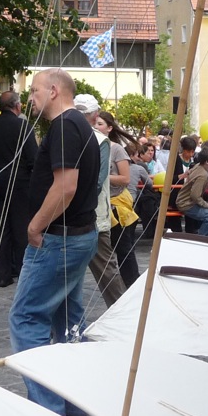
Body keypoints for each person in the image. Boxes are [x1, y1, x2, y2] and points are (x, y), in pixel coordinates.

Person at [10, 70, 100, 416]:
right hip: (76, 237)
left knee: (26, 318)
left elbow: (66, 187)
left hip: (59, 239)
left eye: (33, 91)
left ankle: (48, 410)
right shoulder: (78, 125)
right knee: (68, 319)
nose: (29, 98)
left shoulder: (65, 126)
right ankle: (75, 403)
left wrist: (35, 226)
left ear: (52, 91)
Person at [0, 90, 36, 289]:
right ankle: (22, 269)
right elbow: (33, 157)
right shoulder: (23, 126)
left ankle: (3, 273)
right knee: (21, 227)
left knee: (1, 227)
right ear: (17, 106)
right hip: (19, 183)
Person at [73, 95, 124, 307]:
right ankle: (123, 314)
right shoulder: (92, 139)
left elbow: (96, 181)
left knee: (103, 271)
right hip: (86, 215)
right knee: (104, 272)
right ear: (95, 116)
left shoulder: (98, 140)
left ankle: (123, 314)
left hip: (87, 216)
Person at [94, 110, 140, 288]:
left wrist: (102, 177)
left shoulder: (117, 149)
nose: (96, 127)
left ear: (109, 128)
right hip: (98, 205)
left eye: (100, 124)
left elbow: (125, 179)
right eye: (94, 123)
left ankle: (132, 286)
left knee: (124, 250)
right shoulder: (91, 146)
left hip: (116, 206)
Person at [175, 144, 208, 236]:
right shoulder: (203, 175)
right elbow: (195, 196)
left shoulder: (198, 166)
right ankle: (201, 238)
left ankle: (203, 236)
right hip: (186, 204)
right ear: (207, 162)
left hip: (185, 201)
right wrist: (207, 205)